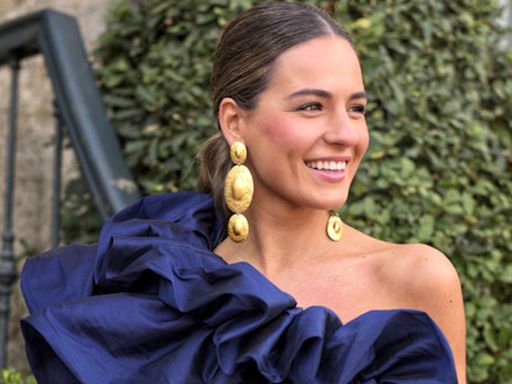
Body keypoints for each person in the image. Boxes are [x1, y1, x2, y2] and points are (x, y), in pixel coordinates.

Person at [20, 2, 465, 383]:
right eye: (311, 106)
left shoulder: (416, 278)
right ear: (234, 121)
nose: (346, 134)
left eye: (357, 108)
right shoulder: (164, 273)